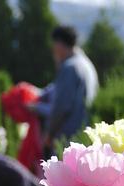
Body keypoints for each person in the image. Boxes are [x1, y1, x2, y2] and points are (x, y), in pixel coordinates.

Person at [33, 25, 98, 157]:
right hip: (83, 135)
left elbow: (61, 106)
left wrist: (49, 135)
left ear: (59, 44)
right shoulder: (86, 63)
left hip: (68, 140)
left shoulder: (69, 67)